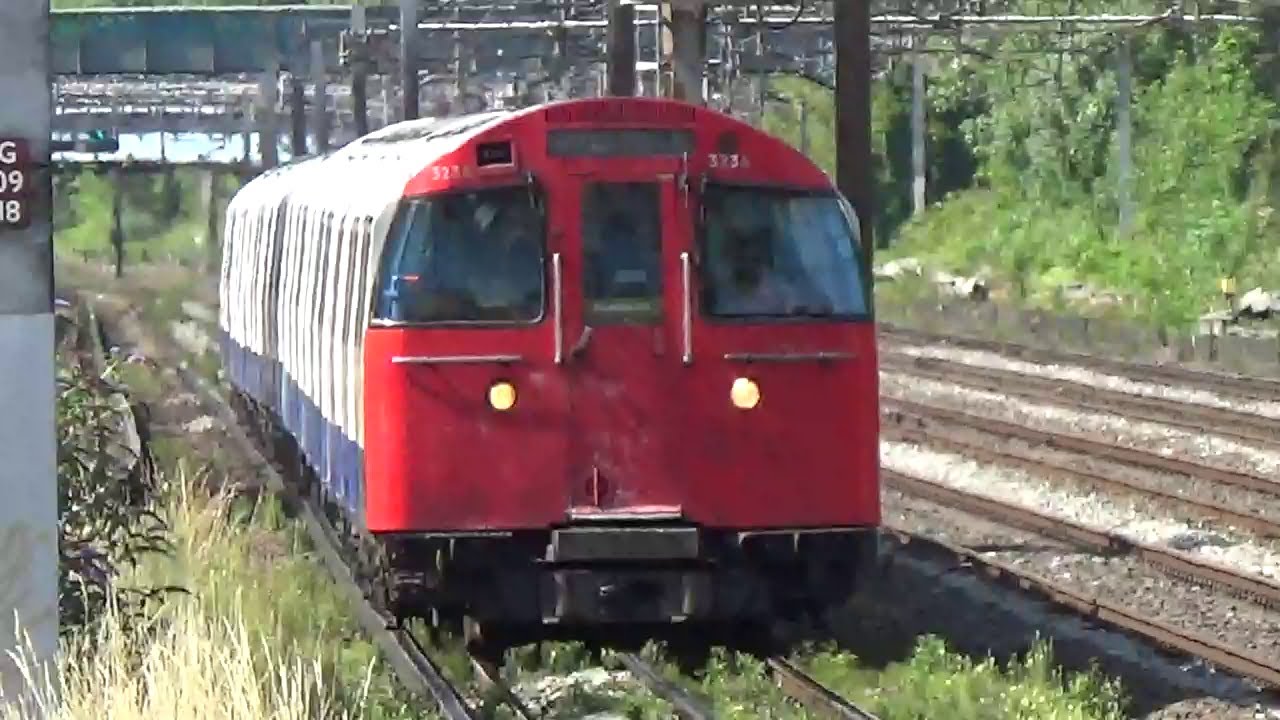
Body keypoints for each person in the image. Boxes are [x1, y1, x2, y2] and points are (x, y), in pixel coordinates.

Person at [714, 225, 797, 315]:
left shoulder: (780, 288)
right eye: (741, 258)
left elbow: (795, 313)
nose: (747, 264)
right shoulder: (723, 288)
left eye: (753, 259)